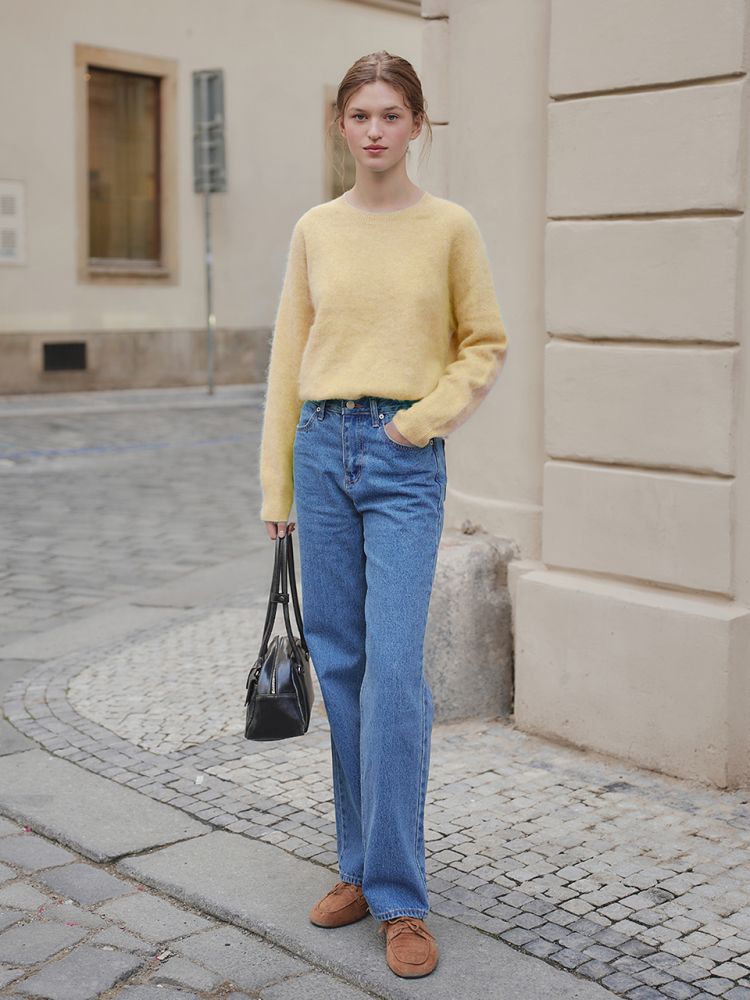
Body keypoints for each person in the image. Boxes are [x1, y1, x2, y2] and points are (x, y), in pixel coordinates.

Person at [258, 50, 509, 979]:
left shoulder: (450, 228)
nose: (374, 130)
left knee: (396, 673)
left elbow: (484, 342)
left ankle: (402, 899)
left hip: (403, 459)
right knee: (342, 665)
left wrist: (420, 422)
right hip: (320, 450)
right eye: (359, 114)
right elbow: (288, 358)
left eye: (390, 114)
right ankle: (359, 868)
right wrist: (278, 488)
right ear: (341, 125)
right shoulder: (315, 229)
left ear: (416, 125)